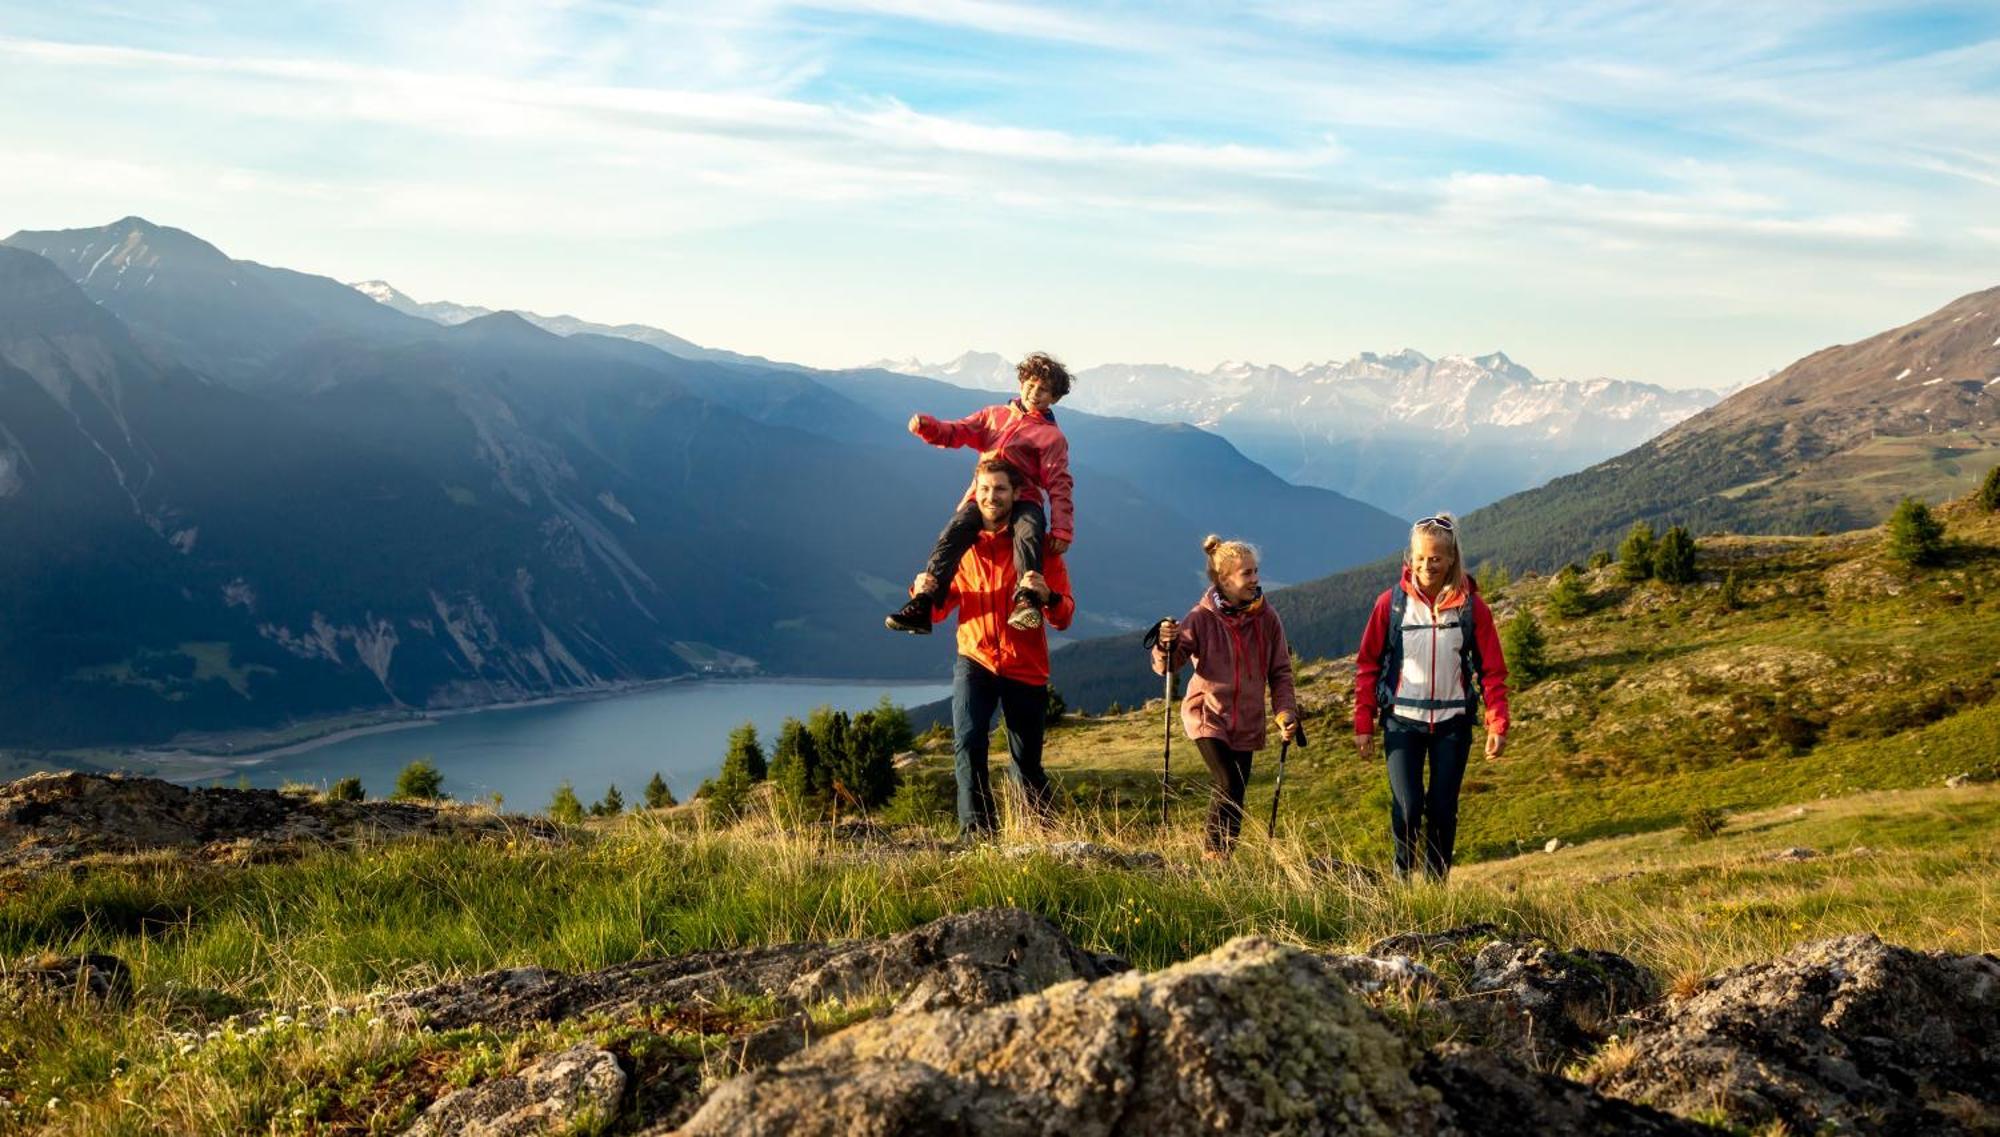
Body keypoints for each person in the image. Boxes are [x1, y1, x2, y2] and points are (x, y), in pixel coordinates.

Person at [914, 457, 1075, 839]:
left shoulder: (1040, 552)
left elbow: (1064, 616)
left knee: (1026, 761)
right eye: (984, 489)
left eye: (1000, 489)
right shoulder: (964, 548)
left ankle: (1041, 835)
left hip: (1025, 666)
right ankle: (977, 834)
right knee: (968, 744)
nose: (992, 496)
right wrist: (922, 590)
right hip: (976, 658)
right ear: (975, 492)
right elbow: (940, 611)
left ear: (1017, 494)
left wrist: (1048, 597)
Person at [1352, 512, 1510, 881]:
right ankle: (1403, 885)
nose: (1427, 566)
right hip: (1402, 722)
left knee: (1442, 811)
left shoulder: (1472, 608)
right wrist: (1364, 722)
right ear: (1410, 557)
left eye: (1436, 558)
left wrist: (1497, 721)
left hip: (1453, 725)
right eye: (1420, 558)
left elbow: (1493, 671)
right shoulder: (1390, 605)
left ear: (1452, 557)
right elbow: (1367, 665)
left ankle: (1436, 890)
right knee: (1407, 808)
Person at [886, 352, 1075, 635]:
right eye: (1031, 384)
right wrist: (930, 428)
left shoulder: (1051, 437)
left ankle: (1027, 599)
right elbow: (958, 432)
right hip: (982, 496)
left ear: (1055, 398)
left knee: (1029, 532)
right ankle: (924, 602)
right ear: (1021, 382)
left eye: (1044, 389)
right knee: (953, 534)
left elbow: (1059, 483)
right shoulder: (993, 416)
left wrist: (1062, 528)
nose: (1035, 393)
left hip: (1024, 499)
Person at [1149, 535, 1298, 859]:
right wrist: (1164, 645)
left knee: (1237, 791)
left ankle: (1223, 862)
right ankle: (1213, 858)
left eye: (1256, 571)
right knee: (1228, 781)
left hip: (1247, 721)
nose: (1256, 579)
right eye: (1247, 573)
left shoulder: (1267, 619)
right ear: (1224, 579)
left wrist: (1286, 713)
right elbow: (1169, 666)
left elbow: (1280, 673)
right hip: (1207, 714)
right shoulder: (1201, 618)